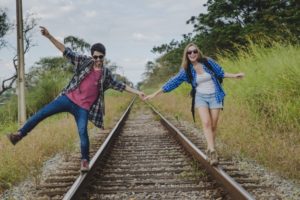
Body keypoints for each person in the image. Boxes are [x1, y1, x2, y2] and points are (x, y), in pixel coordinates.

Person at [7, 26, 145, 172]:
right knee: (42, 113)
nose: (98, 60)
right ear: (92, 56)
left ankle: (85, 161)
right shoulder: (84, 61)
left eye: (101, 57)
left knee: (83, 132)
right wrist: (49, 36)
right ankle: (19, 135)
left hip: (83, 109)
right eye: (95, 57)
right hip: (67, 99)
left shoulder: (106, 74)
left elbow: (121, 86)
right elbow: (66, 51)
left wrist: (138, 92)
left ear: (104, 57)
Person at [144, 43, 244, 166]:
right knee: (206, 123)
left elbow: (220, 73)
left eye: (194, 51)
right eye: (189, 52)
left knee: (213, 125)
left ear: (198, 52)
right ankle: (213, 151)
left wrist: (234, 75)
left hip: (215, 96)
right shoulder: (186, 70)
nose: (192, 54)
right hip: (200, 97)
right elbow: (172, 82)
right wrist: (154, 94)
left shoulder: (207, 62)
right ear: (186, 55)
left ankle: (209, 147)